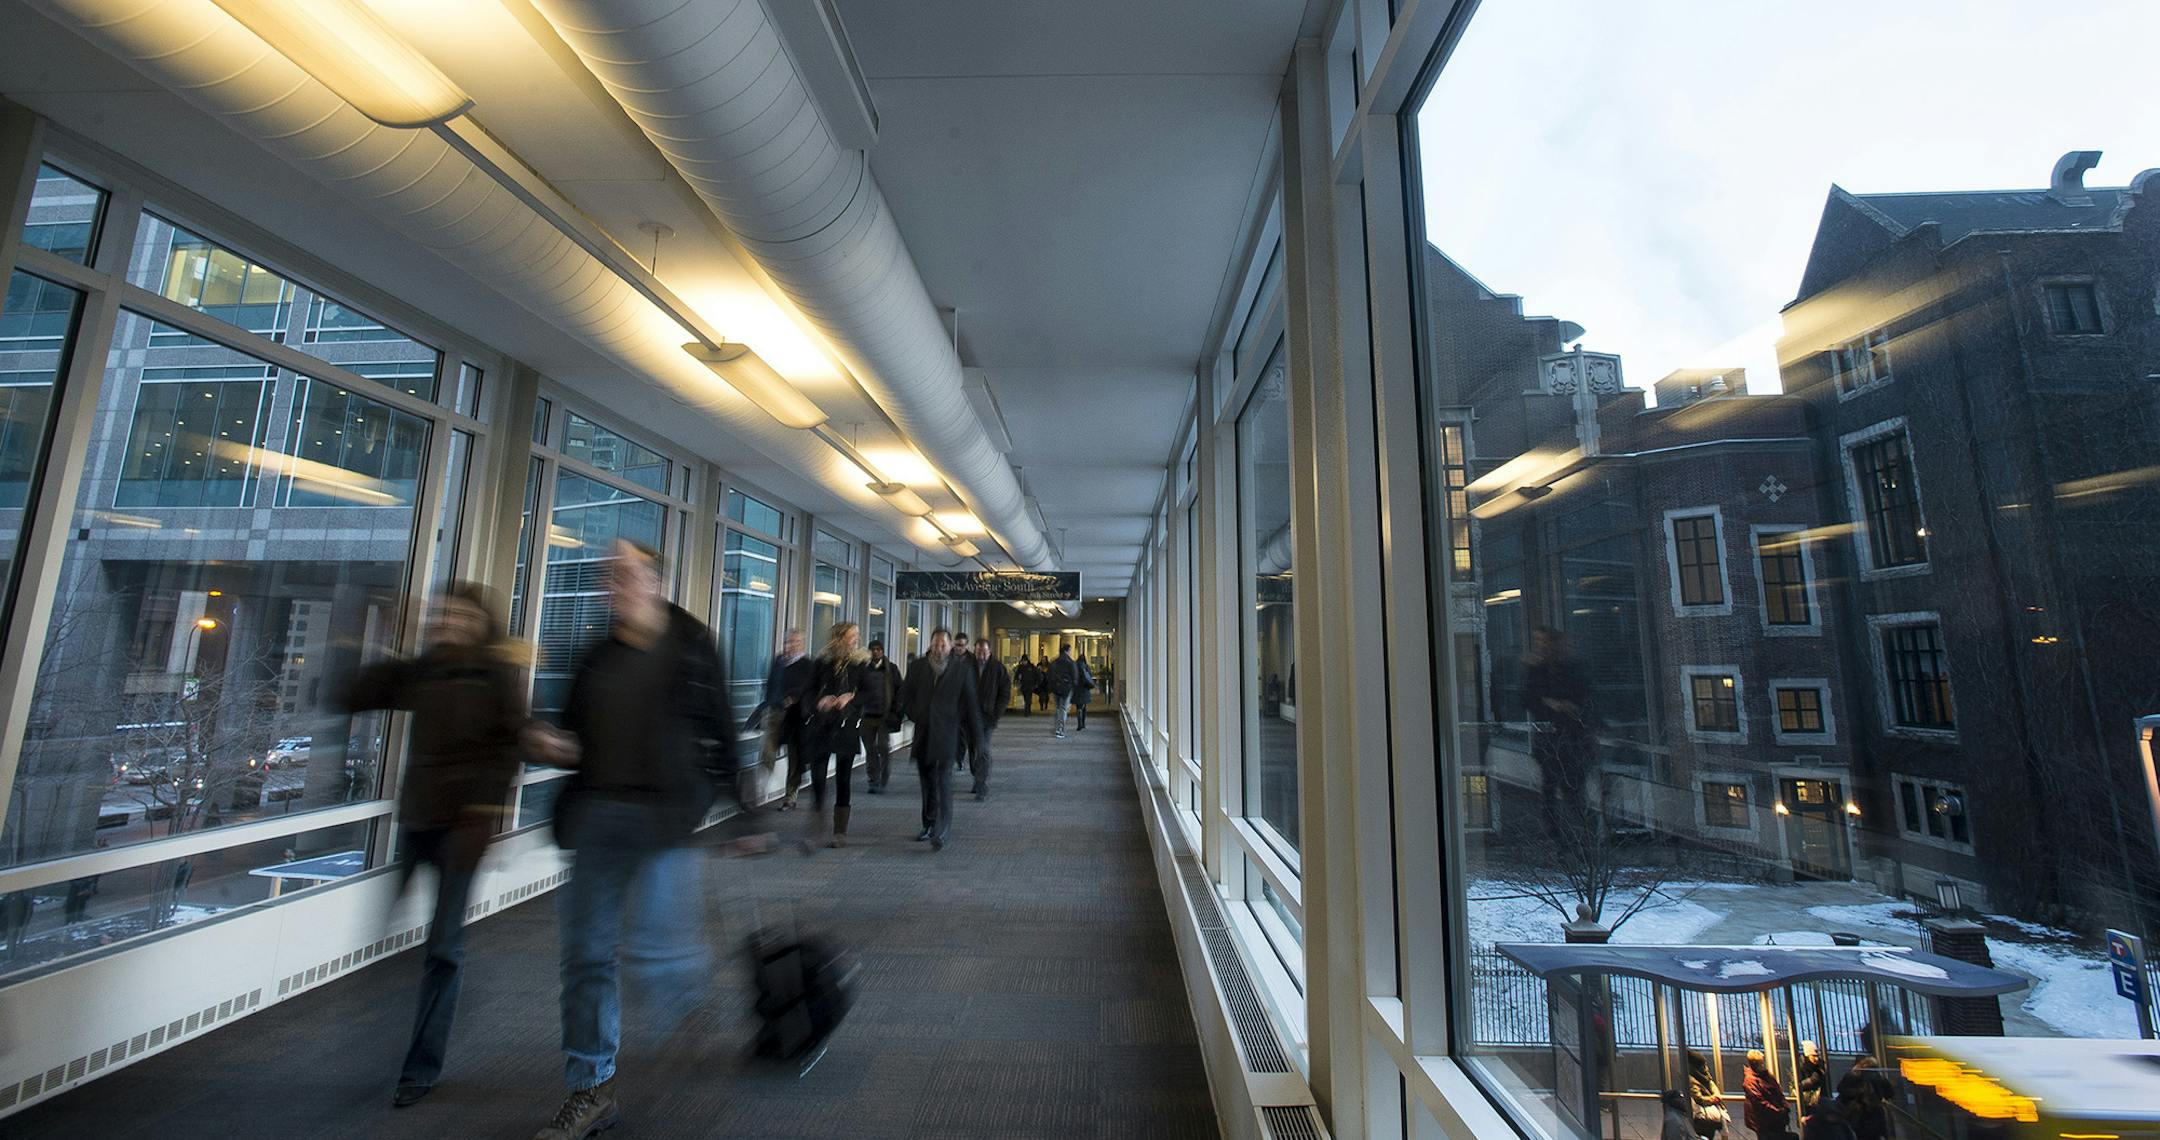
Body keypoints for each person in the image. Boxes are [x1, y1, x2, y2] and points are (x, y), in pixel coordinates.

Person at [528, 540, 740, 1140]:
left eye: (624, 574)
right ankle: (591, 1088)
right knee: (587, 956)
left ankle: (687, 990)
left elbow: (721, 730)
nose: (612, 585)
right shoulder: (596, 656)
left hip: (665, 820)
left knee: (659, 955)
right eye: (607, 576)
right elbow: (571, 736)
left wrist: (744, 814)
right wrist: (551, 744)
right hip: (598, 817)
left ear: (655, 581)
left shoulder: (691, 647)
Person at [339, 582, 531, 1107]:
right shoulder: (425, 669)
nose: (447, 622)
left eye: (458, 615)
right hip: (419, 821)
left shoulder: (495, 676)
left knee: (443, 948)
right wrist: (390, 639)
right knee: (388, 933)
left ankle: (420, 1070)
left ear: (480, 623)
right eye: (441, 614)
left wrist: (483, 815)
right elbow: (354, 694)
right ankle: (393, 1035)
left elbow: (510, 749)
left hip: (464, 830)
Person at [900, 628, 982, 852]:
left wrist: (978, 738)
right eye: (936, 644)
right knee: (927, 782)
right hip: (924, 733)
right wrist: (916, 714)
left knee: (944, 781)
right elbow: (905, 695)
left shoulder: (961, 670)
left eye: (943, 645)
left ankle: (943, 829)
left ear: (950, 646)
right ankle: (929, 823)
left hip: (947, 734)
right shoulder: (918, 667)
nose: (939, 648)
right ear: (931, 644)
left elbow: (971, 704)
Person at [802, 621, 866, 848]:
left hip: (846, 726)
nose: (856, 640)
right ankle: (817, 827)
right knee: (818, 777)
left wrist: (851, 698)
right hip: (821, 726)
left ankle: (840, 830)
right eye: (852, 636)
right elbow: (807, 692)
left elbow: (871, 694)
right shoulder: (821, 663)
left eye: (856, 635)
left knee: (844, 778)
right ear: (839, 638)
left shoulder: (860, 664)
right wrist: (819, 702)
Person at [1524, 627, 1594, 826]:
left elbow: (1584, 697)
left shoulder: (1569, 668)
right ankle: (1562, 830)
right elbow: (1528, 700)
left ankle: (1574, 829)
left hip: (1569, 738)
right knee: (1555, 787)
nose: (1541, 646)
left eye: (1544, 641)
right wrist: (1552, 704)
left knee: (1568, 787)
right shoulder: (1538, 669)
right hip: (1552, 739)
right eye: (1538, 642)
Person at [761, 630, 812, 810]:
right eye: (788, 641)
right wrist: (767, 704)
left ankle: (791, 795)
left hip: (795, 716)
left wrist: (794, 698)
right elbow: (770, 684)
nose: (791, 645)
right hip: (775, 711)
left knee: (794, 755)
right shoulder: (778, 661)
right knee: (768, 749)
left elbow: (808, 688)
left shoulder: (807, 664)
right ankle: (761, 786)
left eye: (795, 642)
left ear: (802, 643)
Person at [967, 635, 1011, 800]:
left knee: (983, 750)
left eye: (984, 652)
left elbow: (1005, 692)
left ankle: (981, 783)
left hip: (987, 717)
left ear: (989, 652)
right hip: (968, 717)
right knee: (973, 749)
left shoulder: (997, 668)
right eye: (979, 652)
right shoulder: (966, 667)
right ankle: (976, 776)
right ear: (974, 651)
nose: (982, 656)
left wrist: (996, 712)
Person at [858, 639, 903, 793]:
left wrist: (896, 711)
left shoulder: (891, 669)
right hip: (867, 714)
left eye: (878, 649)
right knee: (870, 749)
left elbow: (899, 690)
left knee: (883, 747)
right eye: (873, 649)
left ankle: (883, 777)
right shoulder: (863, 669)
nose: (876, 652)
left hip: (885, 715)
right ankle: (873, 779)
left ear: (883, 651)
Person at [1742, 1050, 1790, 1140]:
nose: (1763, 1065)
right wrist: (1780, 1110)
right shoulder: (1751, 1080)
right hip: (1763, 1120)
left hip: (1773, 1117)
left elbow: (1778, 1091)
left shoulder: (1765, 1075)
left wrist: (1784, 1106)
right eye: (1761, 1063)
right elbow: (1759, 1102)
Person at [1687, 1050, 1729, 1138]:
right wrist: (1712, 1099)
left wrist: (1716, 1095)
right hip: (1702, 1118)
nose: (1705, 1068)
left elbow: (1711, 1083)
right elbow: (1698, 1098)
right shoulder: (1691, 1080)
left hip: (1708, 1116)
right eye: (1702, 1065)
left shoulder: (1703, 1075)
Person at [1047, 645, 1079, 738]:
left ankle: (1057, 728)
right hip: (1066, 688)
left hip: (1055, 688)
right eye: (1070, 650)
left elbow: (1049, 675)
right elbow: (1075, 676)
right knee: (1063, 708)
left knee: (1057, 708)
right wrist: (1073, 686)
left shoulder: (1054, 662)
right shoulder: (1070, 662)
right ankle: (1060, 729)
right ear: (1067, 651)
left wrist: (1051, 686)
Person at [1795, 1041, 1828, 1117]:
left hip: (1820, 1103)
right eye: (1813, 1056)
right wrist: (1811, 1081)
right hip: (1806, 1104)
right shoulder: (1799, 1066)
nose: (1816, 1059)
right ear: (1807, 1055)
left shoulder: (1820, 1066)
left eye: (1817, 1056)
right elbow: (1796, 1086)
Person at [1072, 655, 1095, 731]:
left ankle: (1079, 724)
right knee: (1084, 707)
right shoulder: (1086, 667)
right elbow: (1090, 676)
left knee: (1078, 707)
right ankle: (1083, 724)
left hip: (1077, 689)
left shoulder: (1074, 666)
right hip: (1085, 689)